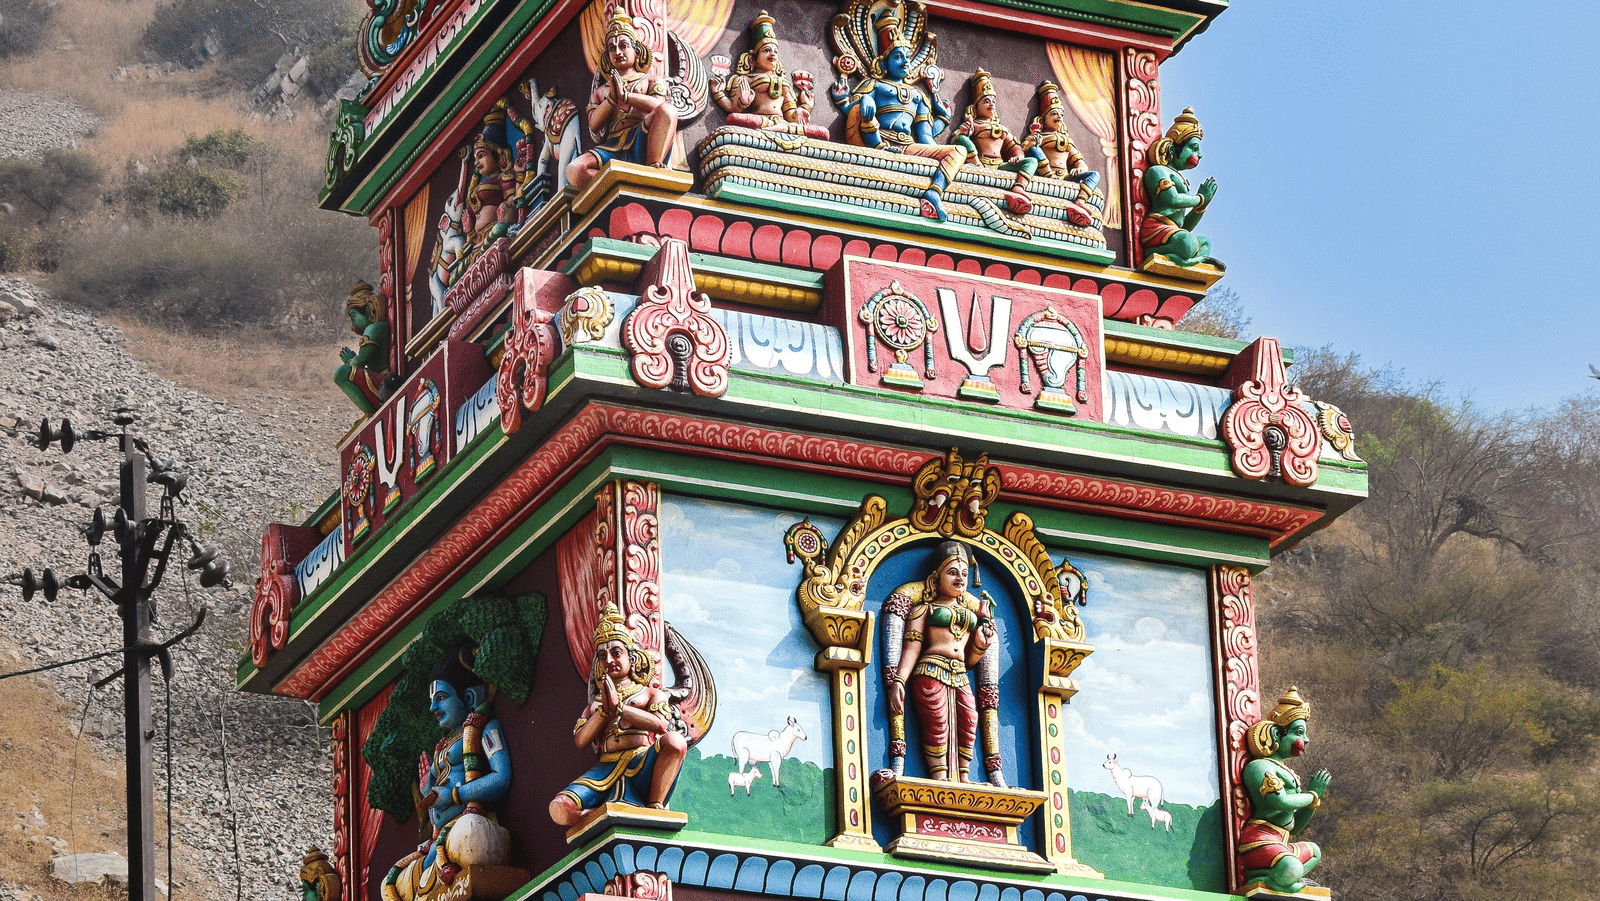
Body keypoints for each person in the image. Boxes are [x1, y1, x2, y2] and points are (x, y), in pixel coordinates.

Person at [383, 647, 513, 901]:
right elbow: (434, 794)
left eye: (441, 698)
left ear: (467, 697)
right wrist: (427, 788)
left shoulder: (484, 729)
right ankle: (438, 875)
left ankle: (442, 872)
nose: (433, 707)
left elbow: (501, 776)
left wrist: (454, 795)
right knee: (392, 883)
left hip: (467, 826)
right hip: (439, 840)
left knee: (470, 833)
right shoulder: (442, 748)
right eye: (432, 700)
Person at [549, 602, 689, 824]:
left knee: (676, 742)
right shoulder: (595, 705)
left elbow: (661, 726)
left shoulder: (650, 694)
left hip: (641, 762)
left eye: (616, 653)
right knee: (559, 808)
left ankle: (655, 804)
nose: (610, 661)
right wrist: (605, 711)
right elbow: (581, 740)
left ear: (632, 658)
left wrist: (621, 709)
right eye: (603, 656)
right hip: (605, 768)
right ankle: (592, 818)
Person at [830, 7, 966, 221]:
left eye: (907, 57)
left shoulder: (918, 95)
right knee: (866, 104)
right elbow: (854, 114)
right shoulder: (874, 85)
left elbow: (926, 137)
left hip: (907, 146)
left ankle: (935, 191)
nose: (905, 62)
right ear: (883, 62)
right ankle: (880, 150)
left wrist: (943, 119)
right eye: (897, 57)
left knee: (958, 151)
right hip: (878, 139)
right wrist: (844, 100)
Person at [883, 541, 1001, 783]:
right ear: (935, 579)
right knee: (937, 723)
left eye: (965, 574)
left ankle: (964, 777)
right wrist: (899, 680)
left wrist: (980, 644)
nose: (960, 579)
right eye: (953, 573)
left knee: (969, 720)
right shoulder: (923, 610)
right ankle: (939, 775)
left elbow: (969, 660)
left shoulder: (971, 614)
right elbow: (913, 646)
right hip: (930, 670)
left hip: (959, 674)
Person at [566, 6, 681, 190]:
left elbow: (658, 106)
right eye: (612, 48)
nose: (618, 52)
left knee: (668, 110)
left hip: (641, 138)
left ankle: (653, 167)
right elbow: (593, 126)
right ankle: (616, 186)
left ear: (637, 51)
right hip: (612, 146)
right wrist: (612, 99)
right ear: (607, 55)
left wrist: (626, 96)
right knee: (574, 170)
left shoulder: (650, 80)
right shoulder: (601, 91)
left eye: (624, 46)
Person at [1239, 687, 1331, 895]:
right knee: (1292, 867)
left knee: (1314, 851)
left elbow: (1296, 826)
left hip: (1281, 843)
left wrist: (1314, 800)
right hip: (1259, 841)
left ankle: (1279, 878)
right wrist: (1312, 795)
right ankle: (1284, 878)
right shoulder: (1261, 767)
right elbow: (1280, 802)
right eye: (1299, 732)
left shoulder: (1287, 772)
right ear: (1276, 733)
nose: (1305, 739)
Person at [711, 12, 827, 138]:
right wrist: (724, 96)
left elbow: (791, 116)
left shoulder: (784, 82)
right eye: (766, 50)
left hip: (782, 122)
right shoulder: (745, 79)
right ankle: (775, 129)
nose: (772, 55)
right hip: (760, 119)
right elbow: (733, 108)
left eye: (775, 51)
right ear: (752, 60)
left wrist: (804, 108)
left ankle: (776, 129)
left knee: (823, 132)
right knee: (735, 118)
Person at [1140, 106, 1218, 268]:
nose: (1200, 155)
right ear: (1173, 147)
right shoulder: (1158, 171)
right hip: (1157, 228)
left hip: (1173, 231)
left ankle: (1187, 260)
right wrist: (1199, 198)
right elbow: (1173, 199)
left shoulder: (1179, 178)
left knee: (1204, 243)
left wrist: (1201, 207)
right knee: (1188, 243)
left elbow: (1184, 226)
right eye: (1194, 148)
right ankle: (1151, 253)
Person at [952, 69, 1034, 215]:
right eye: (986, 101)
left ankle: (1019, 187)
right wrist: (966, 133)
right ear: (975, 106)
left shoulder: (1003, 129)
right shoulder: (974, 125)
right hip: (980, 163)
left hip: (1001, 166)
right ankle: (976, 164)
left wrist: (1018, 157)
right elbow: (958, 139)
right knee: (962, 139)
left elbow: (1016, 147)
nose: (991, 105)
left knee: (1032, 162)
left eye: (993, 101)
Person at [1021, 80, 1099, 226]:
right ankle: (1051, 179)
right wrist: (1034, 140)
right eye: (1054, 113)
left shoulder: (1067, 140)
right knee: (1035, 150)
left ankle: (1081, 200)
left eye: (1061, 114)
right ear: (1043, 119)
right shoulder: (1040, 136)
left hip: (1066, 177)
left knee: (1095, 175)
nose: (1059, 117)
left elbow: (1081, 163)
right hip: (1047, 174)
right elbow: (1026, 149)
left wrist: (1079, 170)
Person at [334, 281, 390, 415]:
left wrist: (350, 361)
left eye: (354, 317)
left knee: (341, 373)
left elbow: (360, 361)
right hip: (383, 383)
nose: (353, 326)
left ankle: (370, 412)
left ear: (368, 309)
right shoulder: (377, 328)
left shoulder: (374, 328)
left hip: (385, 384)